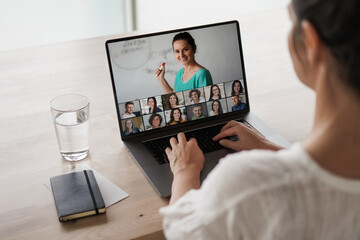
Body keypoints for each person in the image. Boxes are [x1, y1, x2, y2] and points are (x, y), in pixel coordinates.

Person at [160, 0, 360, 239]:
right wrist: (269, 147)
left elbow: (180, 233)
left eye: (291, 22)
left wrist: (185, 171)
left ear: (310, 42)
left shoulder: (248, 185)